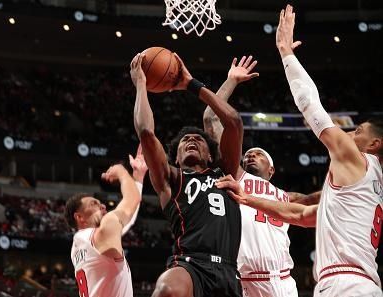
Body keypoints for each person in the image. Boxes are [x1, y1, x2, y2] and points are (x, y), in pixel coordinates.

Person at [216, 4, 383, 297]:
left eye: (358, 132)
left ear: (374, 145)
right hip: (360, 283)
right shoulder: (366, 189)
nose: (349, 133)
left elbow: (311, 107)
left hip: (345, 284)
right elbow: (300, 213)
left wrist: (285, 52)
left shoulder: (358, 161)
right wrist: (248, 199)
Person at [131, 51, 243, 297]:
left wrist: (191, 85)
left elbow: (233, 121)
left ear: (211, 155)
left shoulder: (225, 172)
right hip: (191, 265)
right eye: (185, 141)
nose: (191, 140)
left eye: (198, 139)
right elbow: (146, 133)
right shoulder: (171, 180)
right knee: (167, 290)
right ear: (176, 158)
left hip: (228, 271)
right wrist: (141, 84)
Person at [203, 56, 303, 297]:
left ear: (271, 170)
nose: (249, 156)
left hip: (284, 281)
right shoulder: (235, 175)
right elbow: (210, 117)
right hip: (245, 282)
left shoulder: (288, 197)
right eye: (247, 153)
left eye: (258, 154)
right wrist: (230, 81)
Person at [64, 147, 148, 297]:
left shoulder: (80, 244)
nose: (102, 205)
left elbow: (125, 218)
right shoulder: (99, 235)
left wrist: (139, 176)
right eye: (93, 204)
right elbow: (132, 200)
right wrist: (122, 172)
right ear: (79, 217)